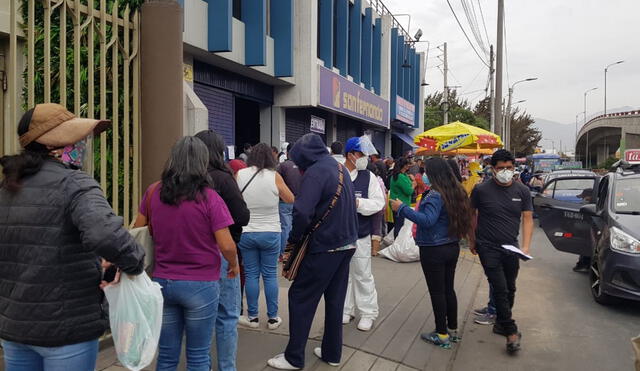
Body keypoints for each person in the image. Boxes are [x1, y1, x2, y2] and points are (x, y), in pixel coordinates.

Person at [0, 104, 145, 370]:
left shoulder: (8, 186)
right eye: (79, 138)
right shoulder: (75, 183)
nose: (84, 144)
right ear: (55, 146)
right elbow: (105, 235)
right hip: (66, 330)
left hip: (14, 326)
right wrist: (134, 261)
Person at [133, 136, 239, 370]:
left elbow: (137, 231)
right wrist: (233, 264)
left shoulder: (153, 192)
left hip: (162, 281)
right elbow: (227, 245)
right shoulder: (210, 198)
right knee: (198, 355)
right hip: (201, 285)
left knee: (167, 355)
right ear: (203, 163)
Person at [267, 133, 358, 370]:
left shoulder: (316, 173)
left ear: (305, 157)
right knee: (335, 300)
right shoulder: (339, 168)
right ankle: (332, 352)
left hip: (324, 246)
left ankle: (294, 357)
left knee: (300, 297)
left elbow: (301, 211)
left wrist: (295, 239)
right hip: (347, 244)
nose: (298, 166)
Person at [391, 158, 473, 349]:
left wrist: (402, 208)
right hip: (451, 247)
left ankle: (441, 333)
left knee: (437, 292)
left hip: (434, 249)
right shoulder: (455, 191)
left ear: (434, 174)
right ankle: (452, 329)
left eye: (426, 171)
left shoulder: (435, 195)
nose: (423, 174)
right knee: (448, 289)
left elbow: (427, 220)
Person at [195, 130, 250, 371]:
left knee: (201, 317)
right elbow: (242, 216)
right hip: (223, 252)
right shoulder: (223, 178)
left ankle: (202, 365)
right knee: (227, 315)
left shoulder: (185, 179)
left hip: (192, 254)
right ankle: (227, 367)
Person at [470, 149, 534, 354]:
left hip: (512, 247)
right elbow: (471, 215)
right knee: (499, 288)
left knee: (510, 287)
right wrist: (472, 239)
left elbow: (527, 219)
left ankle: (501, 322)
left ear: (514, 168)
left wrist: (525, 247)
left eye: (509, 168)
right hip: (487, 246)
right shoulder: (481, 190)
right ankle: (511, 332)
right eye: (500, 168)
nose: (505, 172)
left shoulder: (522, 191)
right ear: (492, 169)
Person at [237, 143, 294, 330]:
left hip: (246, 232)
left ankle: (252, 317)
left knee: (251, 274)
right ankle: (272, 318)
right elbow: (290, 199)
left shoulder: (241, 175)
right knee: (270, 275)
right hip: (270, 231)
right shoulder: (274, 176)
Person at [342, 137, 386, 332]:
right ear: (350, 155)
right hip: (340, 235)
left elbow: (379, 203)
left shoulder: (368, 177)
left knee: (362, 274)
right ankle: (346, 309)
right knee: (343, 275)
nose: (365, 158)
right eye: (361, 154)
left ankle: (368, 312)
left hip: (360, 234)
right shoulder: (338, 173)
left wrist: (359, 204)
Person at [277, 143, 303, 256]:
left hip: (284, 202)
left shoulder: (282, 166)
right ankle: (295, 251)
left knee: (285, 227)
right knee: (296, 226)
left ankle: (284, 253)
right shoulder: (303, 166)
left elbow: (276, 182)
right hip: (300, 201)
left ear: (287, 152)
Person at [389, 156, 415, 238]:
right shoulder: (400, 177)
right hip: (400, 205)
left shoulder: (398, 175)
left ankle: (397, 242)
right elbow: (409, 191)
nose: (409, 166)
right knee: (399, 226)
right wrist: (414, 184)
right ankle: (397, 243)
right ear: (404, 165)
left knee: (398, 224)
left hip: (397, 203)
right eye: (407, 164)